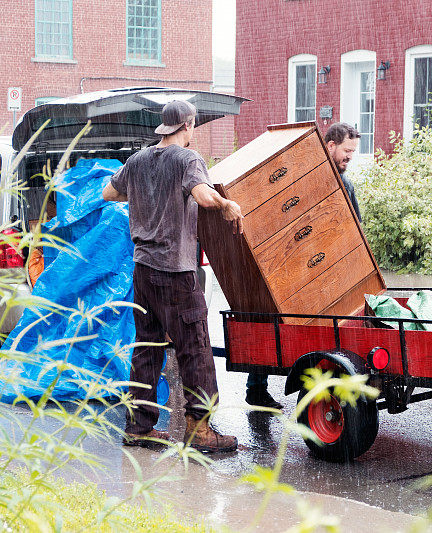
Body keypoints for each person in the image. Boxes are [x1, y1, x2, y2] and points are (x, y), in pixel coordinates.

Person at [102, 100, 244, 453]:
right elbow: (201, 194)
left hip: (144, 271)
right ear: (189, 125)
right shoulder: (187, 159)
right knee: (194, 348)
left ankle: (139, 427)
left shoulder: (137, 160)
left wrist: (142, 192)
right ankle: (200, 430)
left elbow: (109, 192)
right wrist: (226, 205)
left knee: (148, 349)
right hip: (176, 272)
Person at [244, 121, 363, 409]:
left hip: (322, 261)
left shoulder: (343, 183)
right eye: (346, 150)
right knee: (279, 320)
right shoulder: (310, 176)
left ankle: (260, 386)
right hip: (297, 261)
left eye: (354, 152)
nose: (350, 157)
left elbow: (355, 226)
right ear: (330, 146)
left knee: (304, 324)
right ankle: (258, 387)